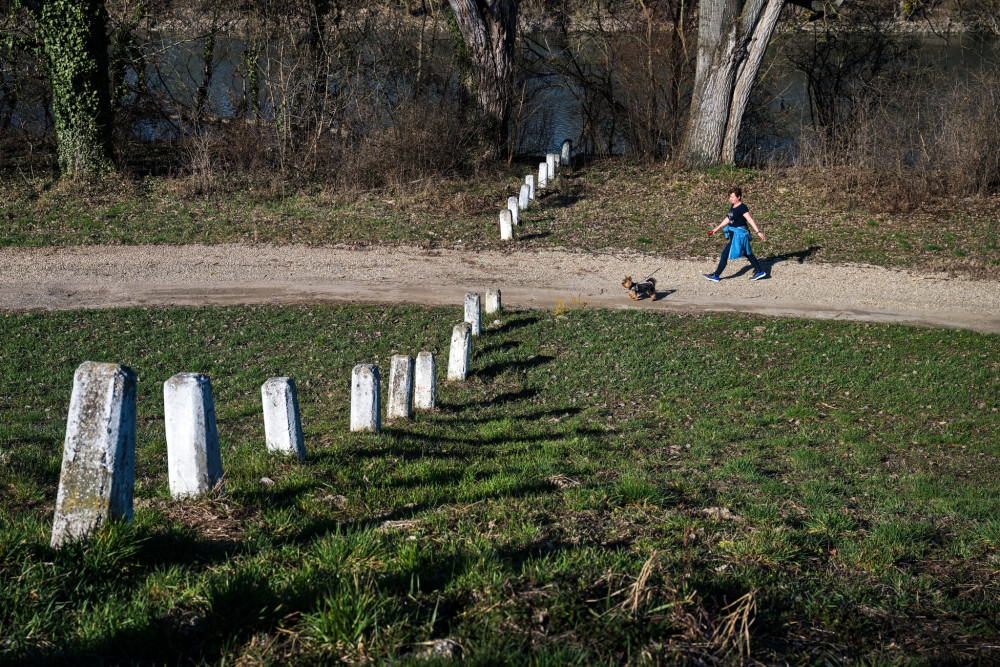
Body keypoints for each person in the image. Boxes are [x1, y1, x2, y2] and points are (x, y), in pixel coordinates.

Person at [703, 187, 768, 282]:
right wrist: (716, 228)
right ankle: (759, 271)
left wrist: (758, 232)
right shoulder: (733, 206)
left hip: (739, 235)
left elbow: (750, 219)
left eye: (733, 197)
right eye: (730, 197)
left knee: (724, 254)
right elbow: (728, 218)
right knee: (747, 252)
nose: (730, 199)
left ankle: (716, 275)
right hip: (734, 234)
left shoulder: (742, 207)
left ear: (739, 197)